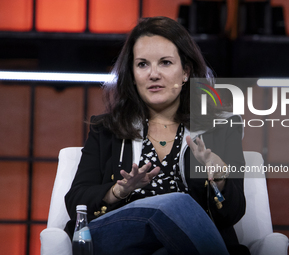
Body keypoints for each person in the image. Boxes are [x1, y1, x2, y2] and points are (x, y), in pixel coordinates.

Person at [65, 16, 249, 255]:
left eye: (165, 63)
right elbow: (76, 200)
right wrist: (118, 191)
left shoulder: (221, 127)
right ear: (132, 74)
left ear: (185, 72)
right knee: (176, 203)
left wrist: (221, 178)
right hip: (116, 239)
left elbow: (232, 213)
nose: (153, 74)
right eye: (142, 64)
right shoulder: (107, 129)